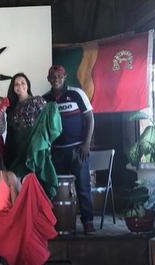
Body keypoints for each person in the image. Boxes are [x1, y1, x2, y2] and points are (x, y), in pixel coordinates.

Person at [42, 65, 95, 234]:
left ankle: (88, 221)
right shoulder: (45, 100)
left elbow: (90, 119)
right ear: (48, 79)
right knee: (57, 189)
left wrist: (86, 144)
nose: (56, 79)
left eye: (59, 76)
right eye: (53, 76)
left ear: (65, 77)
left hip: (78, 149)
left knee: (83, 186)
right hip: (56, 151)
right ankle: (59, 222)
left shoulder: (76, 94)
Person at [5, 73, 46, 168]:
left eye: (23, 83)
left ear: (27, 84)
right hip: (18, 146)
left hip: (35, 144)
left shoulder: (38, 101)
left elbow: (45, 123)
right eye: (16, 84)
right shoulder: (11, 107)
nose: (20, 86)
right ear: (13, 88)